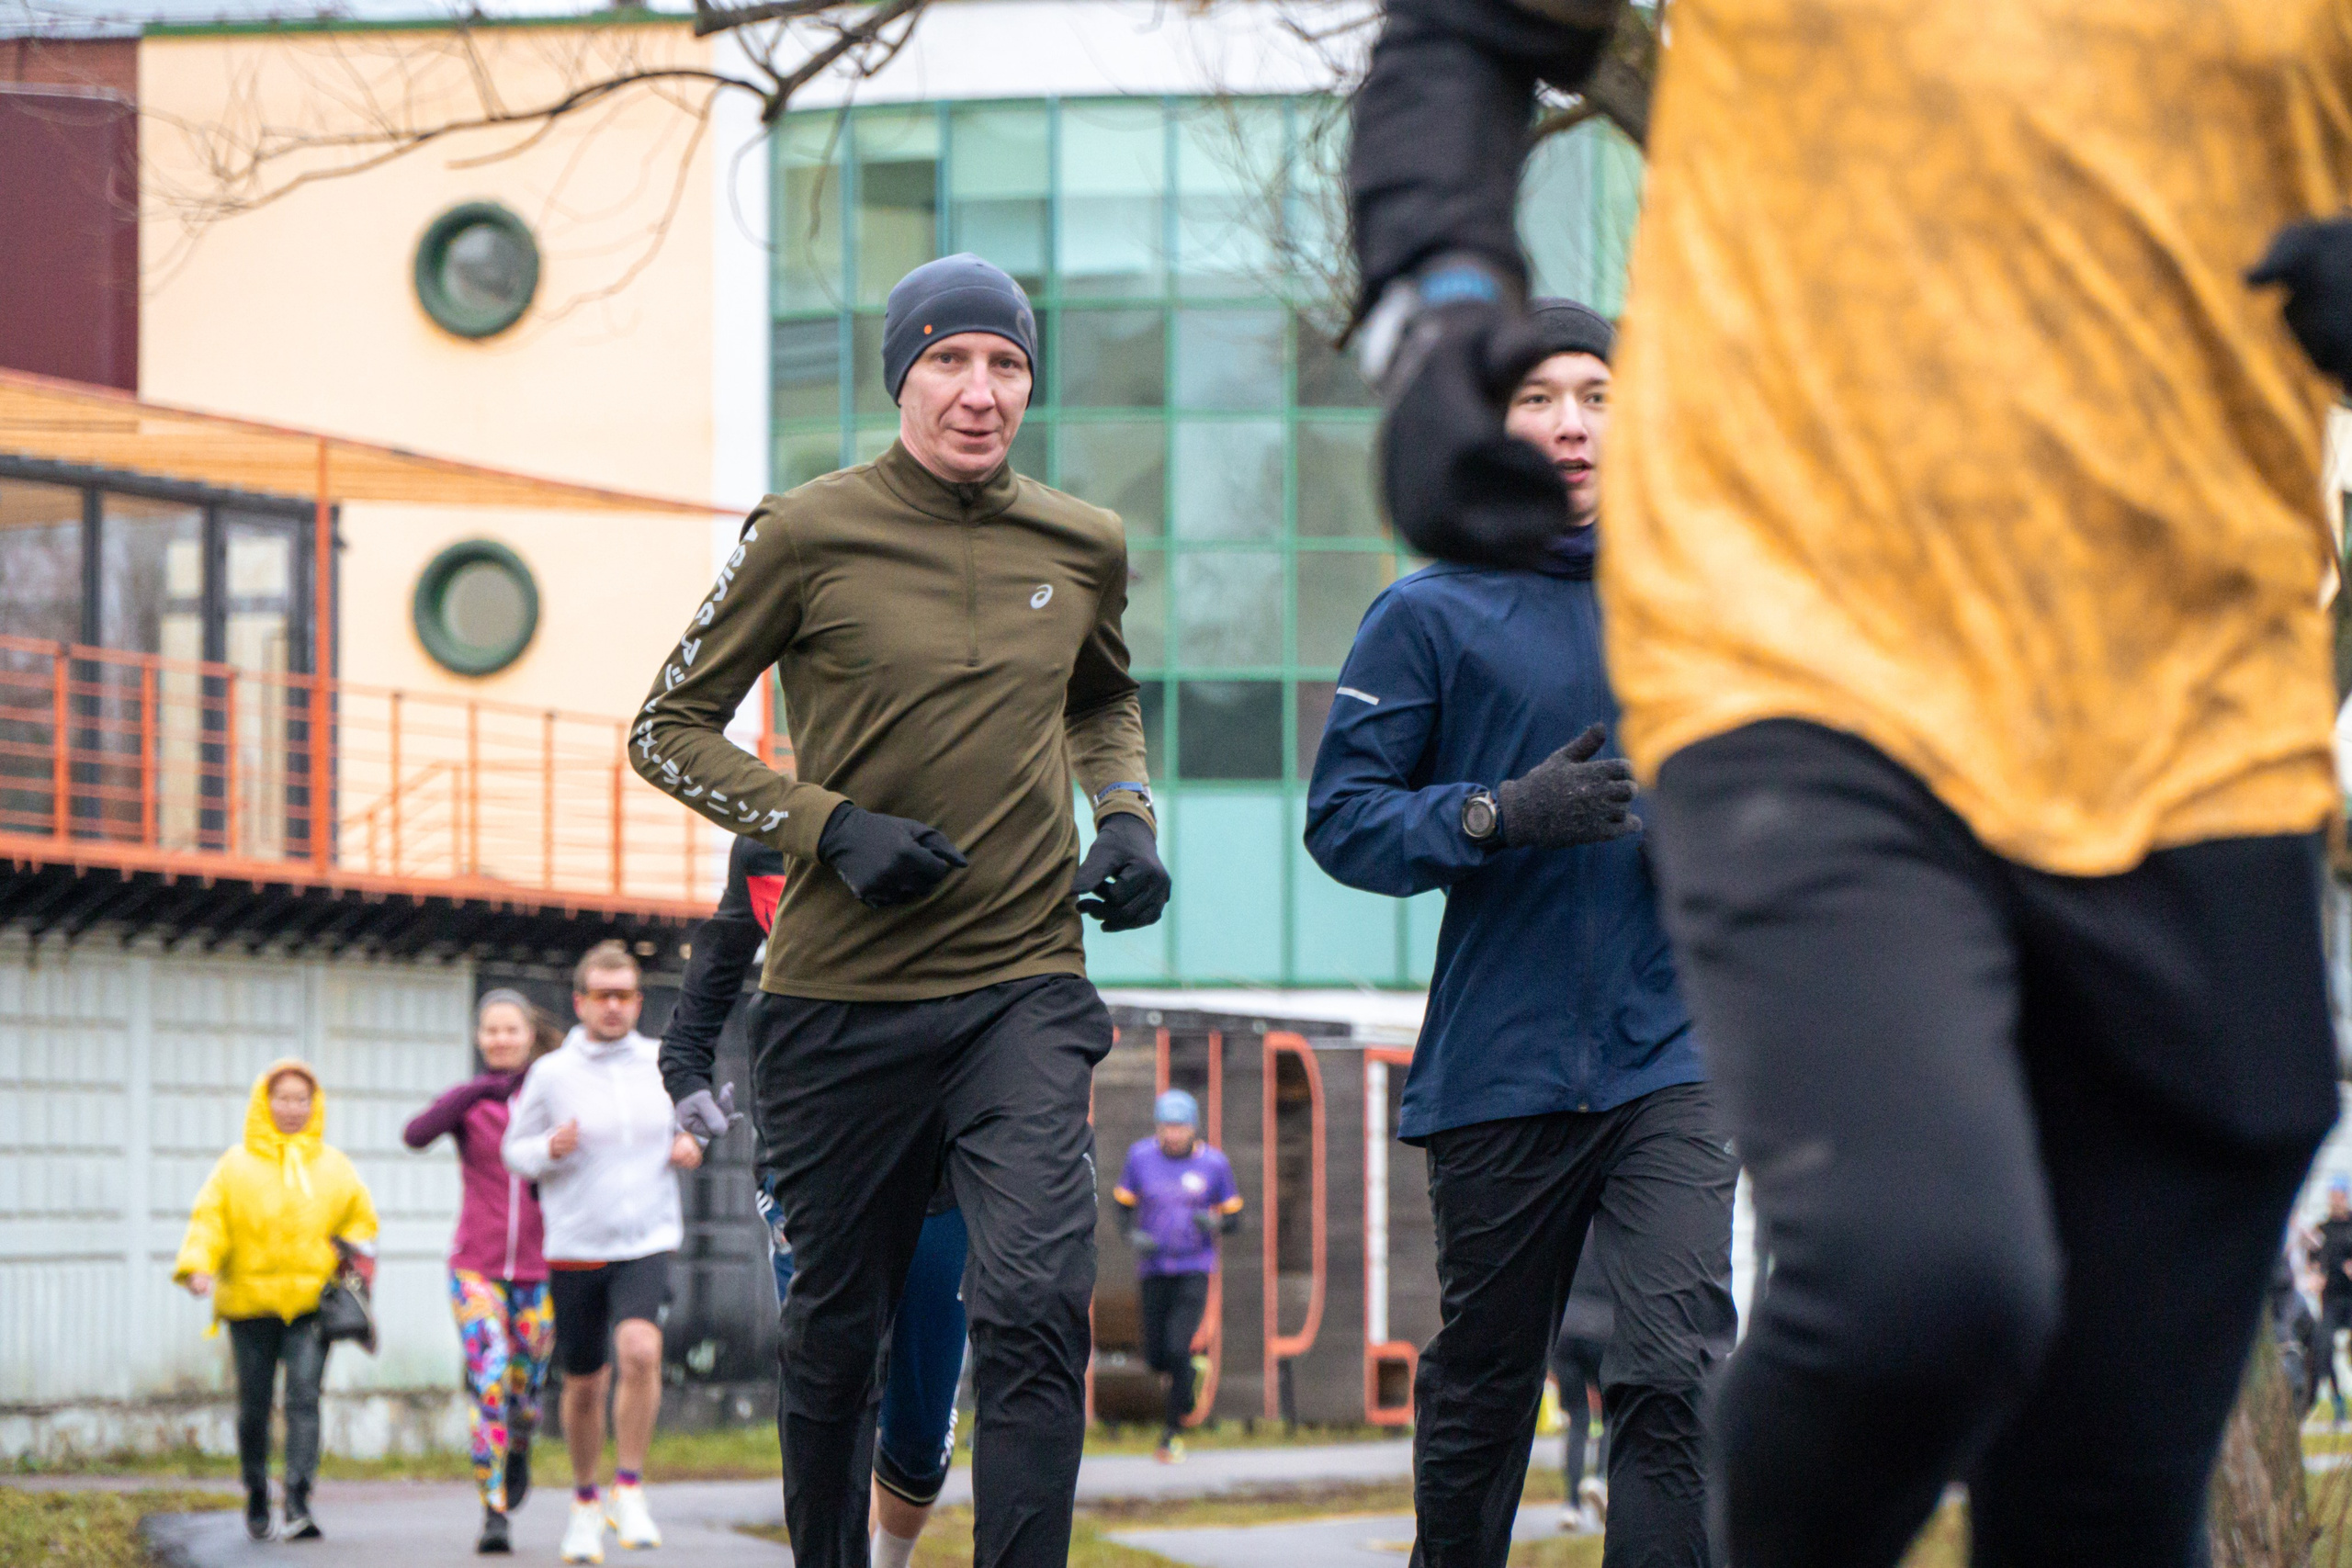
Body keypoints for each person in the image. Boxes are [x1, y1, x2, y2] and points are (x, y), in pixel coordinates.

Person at [1344, 1, 2352, 1561]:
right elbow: (1464, 28)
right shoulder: (1442, 616)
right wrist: (1433, 300)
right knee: (1916, 1287)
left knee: (2110, 1462)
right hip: (1804, 653)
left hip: (2196, 706)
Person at [628, 250, 1169, 1568]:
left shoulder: (1083, 541)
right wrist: (828, 827)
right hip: (840, 1002)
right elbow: (665, 729)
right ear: (902, 377)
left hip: (1022, 983)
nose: (981, 391)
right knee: (834, 1341)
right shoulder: (805, 531)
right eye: (950, 360)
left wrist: (1127, 814)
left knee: (1038, 1304)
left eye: (1008, 365)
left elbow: (1102, 697)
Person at [1306, 299, 1736, 1568]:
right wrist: (1494, 815)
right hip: (1501, 1062)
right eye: (1538, 398)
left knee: (1674, 1368)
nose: (1570, 424)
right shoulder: (1427, 614)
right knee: (1486, 1392)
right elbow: (1342, 820)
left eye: (1597, 396)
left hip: (1675, 1053)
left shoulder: (1703, 603)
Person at [662, 832, 971, 1568]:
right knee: (831, 1375)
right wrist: (684, 1072)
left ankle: (891, 1557)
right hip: (807, 1156)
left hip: (937, 1163)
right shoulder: (767, 843)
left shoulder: (945, 816)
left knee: (917, 1432)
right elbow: (717, 958)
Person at [503, 942, 702, 1566]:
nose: (613, 1006)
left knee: (641, 1351)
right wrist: (548, 1149)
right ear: (580, 1000)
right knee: (585, 1382)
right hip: (576, 1243)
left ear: (639, 1001)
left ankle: (630, 1487)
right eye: (601, 995)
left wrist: (690, 1141)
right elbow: (514, 1150)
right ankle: (585, 1500)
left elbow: (692, 1122)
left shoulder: (660, 1061)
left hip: (646, 1238)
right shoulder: (552, 1073)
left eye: (624, 995)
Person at [174, 1059, 379, 1543]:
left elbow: (361, 1221)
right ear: (264, 1103)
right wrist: (198, 1266)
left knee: (304, 1399)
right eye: (282, 1098)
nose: (292, 1108)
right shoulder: (234, 1166)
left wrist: (351, 1255)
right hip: (249, 1307)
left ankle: (299, 1500)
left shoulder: (334, 1167)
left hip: (311, 1308)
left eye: (301, 1099)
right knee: (255, 1406)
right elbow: (209, 1221)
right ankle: (256, 1491)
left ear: (315, 1105)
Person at [405, 990, 560, 1555]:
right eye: (491, 1030)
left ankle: (519, 1445)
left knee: (526, 1390)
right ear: (479, 1038)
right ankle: (493, 1511)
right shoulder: (469, 1103)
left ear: (529, 1035)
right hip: (476, 1269)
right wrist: (476, 1090)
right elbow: (416, 1134)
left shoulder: (551, 1098)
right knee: (489, 1380)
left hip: (540, 1271)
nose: (500, 1039)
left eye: (510, 1029)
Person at [1111, 1089, 1242, 1463]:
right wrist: (1131, 1234)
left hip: (1193, 1268)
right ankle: (1190, 1372)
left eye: (1179, 1127)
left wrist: (1216, 1223)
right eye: (1166, 1126)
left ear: (1192, 1128)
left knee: (1176, 1345)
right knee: (1155, 1356)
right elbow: (1122, 1206)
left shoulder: (1213, 1164)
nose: (1172, 1134)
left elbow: (1235, 1218)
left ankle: (1172, 1434)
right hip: (1153, 1268)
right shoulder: (1140, 1157)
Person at [1548, 1227, 1611, 1536]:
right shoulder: (1613, 1227)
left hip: (1565, 1332)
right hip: (1604, 1330)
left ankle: (1571, 1506)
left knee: (1577, 1419)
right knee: (1611, 1415)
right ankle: (1600, 1478)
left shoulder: (1569, 1226)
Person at [2307, 1179, 2352, 1426]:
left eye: (2338, 1195)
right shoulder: (2322, 1230)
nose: (2335, 1200)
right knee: (2322, 1347)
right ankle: (2337, 1400)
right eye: (2331, 1195)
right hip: (2332, 1300)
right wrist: (2314, 1274)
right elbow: (2313, 1260)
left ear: (2345, 1196)